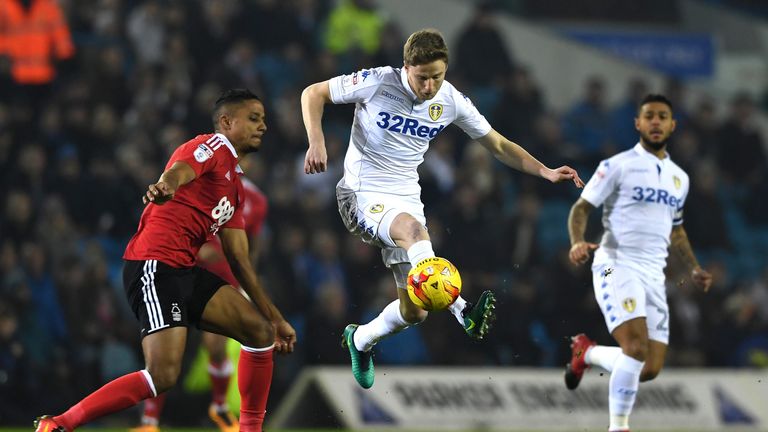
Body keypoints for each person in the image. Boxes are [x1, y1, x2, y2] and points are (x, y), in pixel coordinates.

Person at [301, 28, 584, 389]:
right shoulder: (378, 82)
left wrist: (544, 170)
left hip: (405, 200)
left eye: (438, 76)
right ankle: (463, 310)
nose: (430, 86)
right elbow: (314, 93)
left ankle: (360, 340)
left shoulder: (450, 100)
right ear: (406, 68)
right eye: (423, 77)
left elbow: (497, 143)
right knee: (415, 234)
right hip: (360, 194)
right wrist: (317, 141)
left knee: (415, 311)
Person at [34, 89, 296, 432]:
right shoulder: (213, 147)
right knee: (163, 375)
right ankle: (59, 424)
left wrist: (275, 317)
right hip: (153, 265)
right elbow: (181, 170)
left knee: (259, 331)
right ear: (226, 122)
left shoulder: (236, 188)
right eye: (253, 118)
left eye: (263, 119)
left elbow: (240, 260)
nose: (262, 126)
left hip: (184, 269)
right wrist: (166, 185)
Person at [565, 94, 713, 432]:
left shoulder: (680, 178)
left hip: (653, 274)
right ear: (638, 123)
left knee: (648, 368)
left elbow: (676, 230)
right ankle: (619, 427)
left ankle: (585, 353)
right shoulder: (616, 166)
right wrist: (576, 242)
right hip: (617, 262)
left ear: (673, 125)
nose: (656, 122)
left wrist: (692, 267)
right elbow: (581, 208)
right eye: (650, 116)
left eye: (663, 116)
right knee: (634, 348)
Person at [130, 157, 269, 432]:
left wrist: (244, 276)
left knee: (216, 348)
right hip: (180, 273)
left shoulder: (257, 200)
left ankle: (219, 408)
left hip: (220, 281)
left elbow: (252, 246)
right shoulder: (201, 183)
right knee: (167, 354)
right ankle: (149, 421)